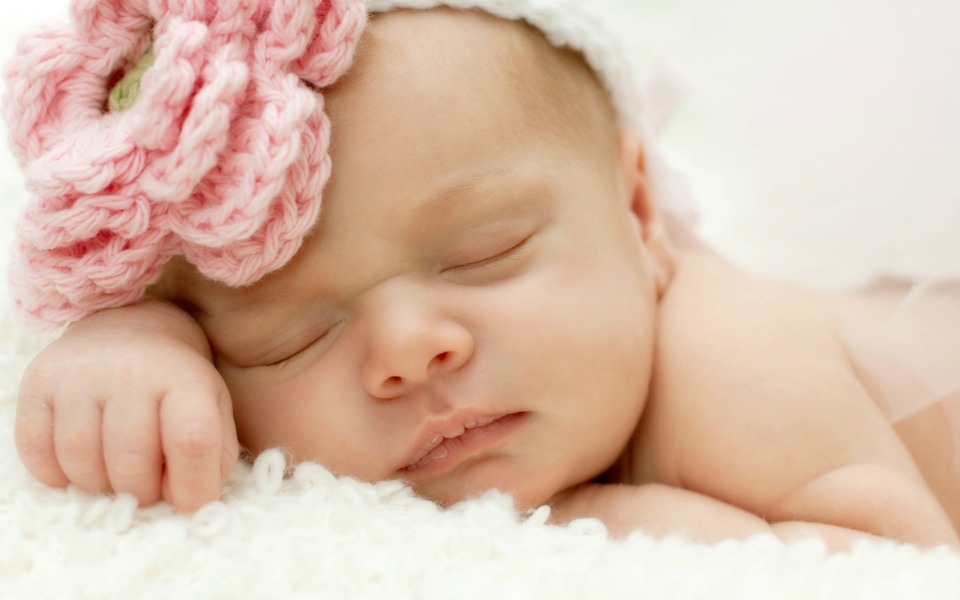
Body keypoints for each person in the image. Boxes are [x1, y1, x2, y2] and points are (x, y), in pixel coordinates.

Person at [6, 0, 959, 551]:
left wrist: (584, 520)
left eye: (484, 255)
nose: (410, 351)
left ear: (639, 216)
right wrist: (137, 339)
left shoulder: (732, 357)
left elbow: (892, 565)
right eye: (287, 336)